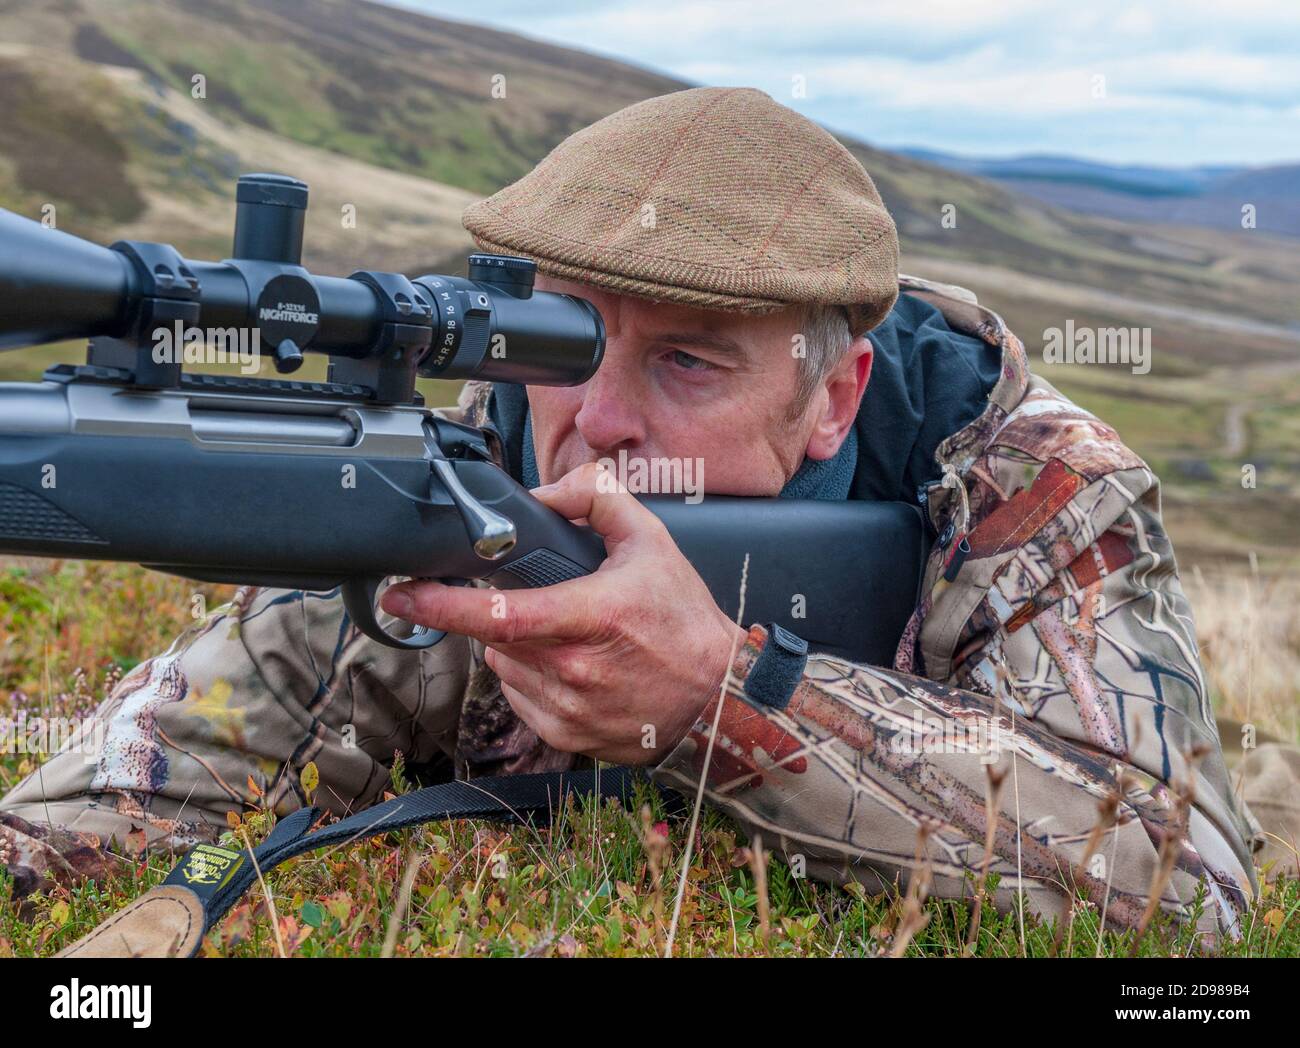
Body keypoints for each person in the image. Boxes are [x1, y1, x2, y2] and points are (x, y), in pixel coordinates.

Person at [0, 87, 1264, 943]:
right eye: (566, 341)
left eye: (688, 363)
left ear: (834, 396)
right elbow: (146, 777)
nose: (595, 420)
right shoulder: (461, 488)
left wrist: (721, 695)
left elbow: (1186, 894)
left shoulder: (1029, 485)